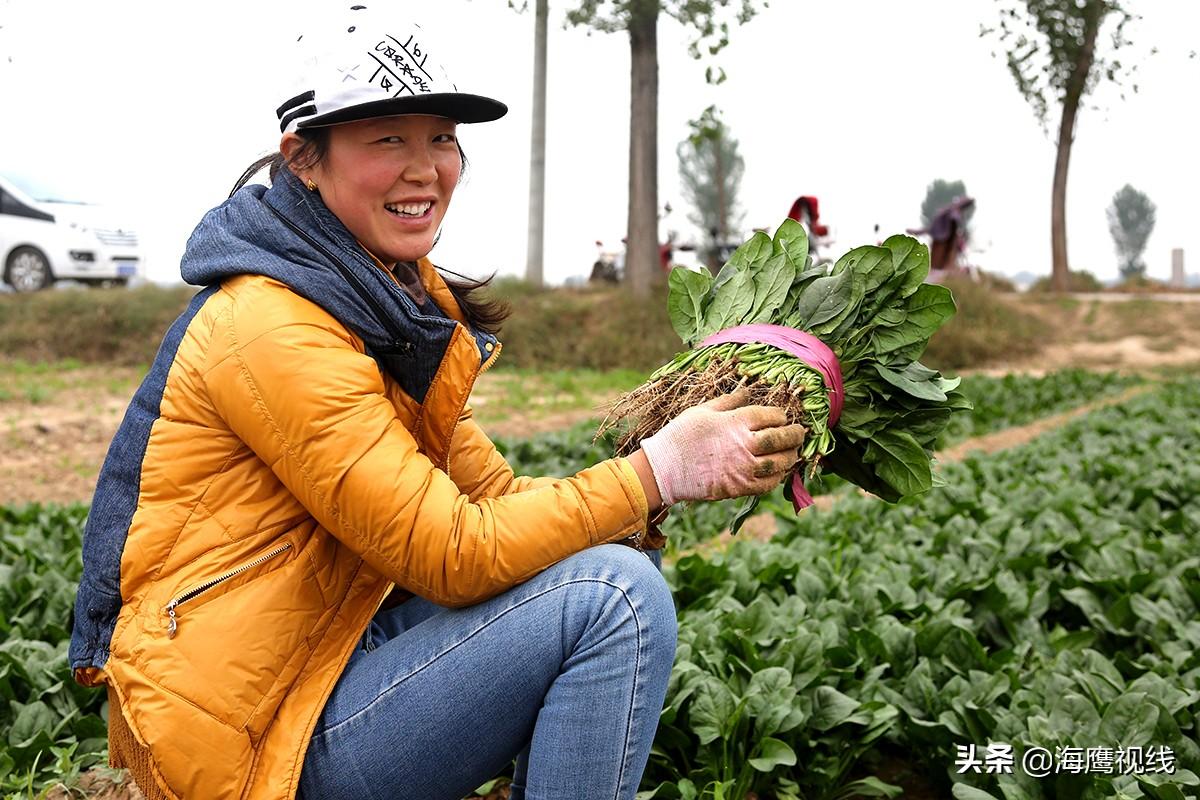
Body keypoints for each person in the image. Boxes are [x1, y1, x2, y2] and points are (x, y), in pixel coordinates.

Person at [67, 6, 806, 800]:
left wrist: (663, 472)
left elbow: (492, 500)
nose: (426, 168)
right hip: (245, 745)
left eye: (442, 138)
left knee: (609, 565)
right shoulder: (272, 326)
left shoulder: (383, 305)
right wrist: (655, 473)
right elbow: (451, 552)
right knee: (615, 600)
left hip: (316, 659)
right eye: (388, 139)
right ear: (304, 159)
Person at [908, 195, 975, 274]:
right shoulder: (953, 211)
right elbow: (954, 219)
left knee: (938, 263)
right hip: (942, 238)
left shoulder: (950, 210)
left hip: (942, 237)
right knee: (937, 263)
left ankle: (936, 273)